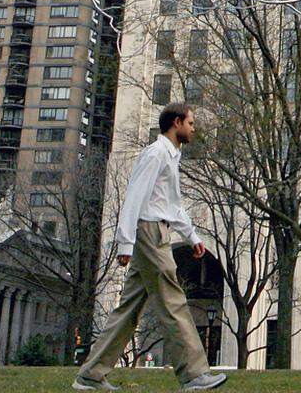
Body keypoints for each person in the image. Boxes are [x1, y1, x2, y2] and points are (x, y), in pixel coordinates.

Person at [73, 103, 227, 391]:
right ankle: (194, 374)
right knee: (173, 301)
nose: (194, 129)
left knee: (129, 309)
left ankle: (90, 375)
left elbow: (171, 204)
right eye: (191, 123)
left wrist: (192, 237)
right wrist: (125, 242)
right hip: (149, 233)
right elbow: (134, 196)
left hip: (157, 231)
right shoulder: (156, 153)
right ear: (177, 123)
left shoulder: (171, 155)